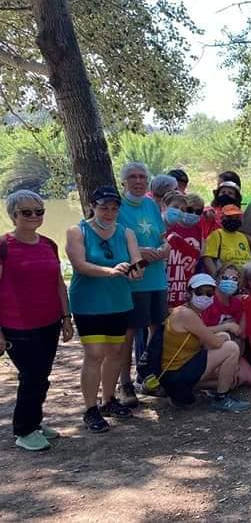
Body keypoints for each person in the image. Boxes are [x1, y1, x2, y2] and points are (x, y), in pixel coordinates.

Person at [0, 191, 73, 450]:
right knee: (31, 375)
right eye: (26, 212)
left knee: (42, 375)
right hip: (17, 326)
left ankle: (35, 421)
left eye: (39, 211)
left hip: (49, 322)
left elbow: (58, 283)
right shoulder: (4, 246)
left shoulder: (49, 244)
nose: (34, 216)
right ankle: (23, 430)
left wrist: (66, 317)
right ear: (13, 215)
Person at [66, 186, 143, 433]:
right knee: (95, 353)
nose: (109, 212)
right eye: (103, 207)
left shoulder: (126, 232)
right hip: (88, 301)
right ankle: (90, 409)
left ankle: (109, 400)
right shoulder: (78, 231)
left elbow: (136, 261)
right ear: (92, 206)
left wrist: (135, 271)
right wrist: (110, 272)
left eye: (113, 208)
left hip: (119, 300)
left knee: (116, 351)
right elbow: (80, 265)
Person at [157, 274, 251, 412]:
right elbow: (216, 343)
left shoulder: (188, 311)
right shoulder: (187, 314)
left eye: (209, 293)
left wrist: (222, 333)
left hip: (176, 372)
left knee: (230, 378)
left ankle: (181, 391)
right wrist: (225, 332)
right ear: (189, 293)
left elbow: (203, 336)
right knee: (231, 348)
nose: (205, 297)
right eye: (199, 292)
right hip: (177, 372)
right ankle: (222, 398)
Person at [118, 161, 170, 410]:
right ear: (124, 182)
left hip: (157, 277)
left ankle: (148, 376)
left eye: (142, 177)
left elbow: (162, 237)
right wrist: (138, 252)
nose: (138, 181)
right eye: (133, 177)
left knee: (157, 328)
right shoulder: (117, 208)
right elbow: (112, 244)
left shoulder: (151, 204)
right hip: (133, 280)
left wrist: (164, 249)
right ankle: (125, 383)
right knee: (129, 333)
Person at [201, 265, 251, 386]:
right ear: (217, 279)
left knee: (250, 378)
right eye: (225, 277)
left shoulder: (236, 303)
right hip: (208, 349)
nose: (230, 281)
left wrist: (246, 306)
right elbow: (200, 331)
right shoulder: (208, 301)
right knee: (231, 378)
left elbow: (242, 334)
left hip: (234, 350)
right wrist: (226, 326)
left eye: (234, 279)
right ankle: (192, 385)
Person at [162, 192, 202, 309]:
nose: (193, 214)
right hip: (167, 280)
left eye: (198, 212)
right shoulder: (170, 227)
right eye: (189, 210)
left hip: (187, 282)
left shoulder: (198, 229)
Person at [203, 204, 251, 274]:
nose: (233, 220)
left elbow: (249, 259)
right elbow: (207, 257)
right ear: (221, 218)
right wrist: (216, 276)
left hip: (244, 275)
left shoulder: (242, 236)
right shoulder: (217, 235)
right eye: (229, 217)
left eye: (237, 218)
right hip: (227, 276)